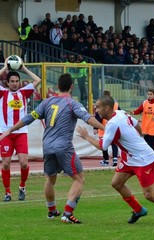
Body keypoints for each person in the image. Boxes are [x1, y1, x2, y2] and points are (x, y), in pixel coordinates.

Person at [0, 73, 104, 223]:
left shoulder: (47, 102)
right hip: (63, 146)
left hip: (47, 146)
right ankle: (67, 213)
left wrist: (10, 130)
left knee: (50, 178)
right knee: (79, 179)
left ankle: (51, 211)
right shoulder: (72, 103)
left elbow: (29, 118)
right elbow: (89, 118)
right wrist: (105, 128)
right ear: (72, 87)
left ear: (57, 87)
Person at [77, 95, 154, 225]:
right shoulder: (120, 113)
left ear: (107, 108)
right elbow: (135, 123)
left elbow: (103, 146)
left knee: (149, 195)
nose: (96, 110)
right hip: (130, 158)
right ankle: (138, 210)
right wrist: (138, 138)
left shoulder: (112, 123)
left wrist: (86, 136)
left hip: (143, 159)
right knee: (116, 183)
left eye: (98, 107)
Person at [0, 57, 41, 201]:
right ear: (7, 82)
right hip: (5, 133)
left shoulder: (24, 92)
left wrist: (23, 69)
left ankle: (22, 186)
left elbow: (37, 80)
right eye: (12, 81)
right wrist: (5, 67)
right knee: (5, 164)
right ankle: (8, 192)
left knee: (24, 163)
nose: (15, 84)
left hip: (21, 133)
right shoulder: (3, 93)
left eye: (17, 81)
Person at [130, 88, 154, 161]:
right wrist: (134, 112)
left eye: (151, 94)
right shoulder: (145, 103)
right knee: (146, 143)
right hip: (145, 127)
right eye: (148, 94)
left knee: (150, 143)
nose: (149, 96)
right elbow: (139, 110)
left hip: (152, 127)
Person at [94, 90, 120, 167]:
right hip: (113, 127)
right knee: (114, 143)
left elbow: (97, 117)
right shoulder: (115, 105)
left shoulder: (101, 105)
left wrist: (95, 127)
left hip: (103, 128)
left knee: (104, 144)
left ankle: (106, 160)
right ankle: (115, 159)